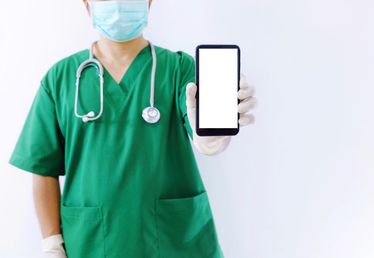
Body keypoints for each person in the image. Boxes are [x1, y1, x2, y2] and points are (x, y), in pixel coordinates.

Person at [8, 0, 257, 257]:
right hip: (91, 244)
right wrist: (51, 243)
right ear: (87, 4)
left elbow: (203, 131)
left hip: (175, 242)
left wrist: (213, 136)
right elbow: (43, 168)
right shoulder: (60, 78)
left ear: (149, 2)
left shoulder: (180, 69)